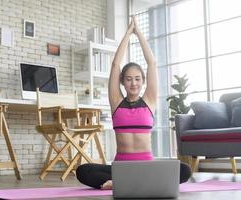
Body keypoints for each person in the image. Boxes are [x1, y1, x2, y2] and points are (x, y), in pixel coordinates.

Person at [76, 16, 191, 190]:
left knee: (184, 170)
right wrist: (128, 33)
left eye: (137, 79)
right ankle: (132, 183)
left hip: (147, 168)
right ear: (122, 82)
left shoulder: (149, 101)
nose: (133, 83)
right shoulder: (116, 102)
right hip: (120, 168)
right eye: (128, 79)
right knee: (83, 171)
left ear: (143, 81)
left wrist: (139, 34)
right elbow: (115, 65)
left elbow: (151, 63)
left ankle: (121, 185)